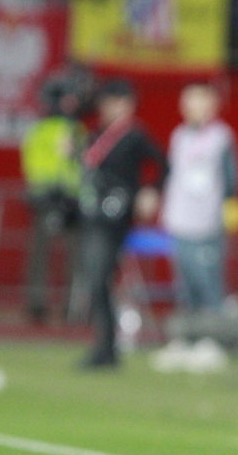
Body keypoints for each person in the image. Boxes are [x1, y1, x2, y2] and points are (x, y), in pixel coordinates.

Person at [77, 80, 167, 368]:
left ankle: (107, 348)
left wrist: (150, 191)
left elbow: (163, 164)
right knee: (95, 279)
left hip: (116, 216)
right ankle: (104, 347)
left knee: (99, 276)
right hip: (94, 212)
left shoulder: (133, 135)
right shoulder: (98, 133)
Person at [160, 83, 238, 314]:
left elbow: (232, 180)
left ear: (212, 105)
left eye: (199, 101)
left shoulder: (221, 137)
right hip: (179, 221)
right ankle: (189, 329)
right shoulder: (179, 136)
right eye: (188, 101)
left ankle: (213, 328)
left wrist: (231, 218)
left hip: (209, 223)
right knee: (185, 282)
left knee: (209, 280)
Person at [20, 78, 85, 324]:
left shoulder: (49, 129)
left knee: (56, 256)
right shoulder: (61, 129)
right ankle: (56, 306)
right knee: (54, 256)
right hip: (55, 199)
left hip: (61, 199)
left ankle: (59, 305)